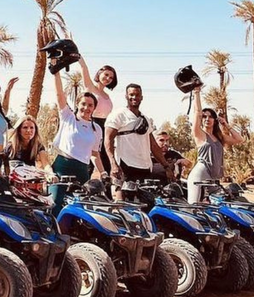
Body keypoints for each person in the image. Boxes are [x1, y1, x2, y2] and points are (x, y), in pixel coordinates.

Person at [48, 69, 105, 212]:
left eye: (90, 105)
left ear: (94, 108)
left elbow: (95, 154)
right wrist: (56, 72)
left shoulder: (97, 128)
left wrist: (103, 173)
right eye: (83, 104)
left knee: (82, 207)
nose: (86, 108)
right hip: (62, 167)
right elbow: (59, 95)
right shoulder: (68, 117)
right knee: (55, 203)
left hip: (82, 170)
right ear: (77, 104)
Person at [105, 83, 173, 199]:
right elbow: (108, 140)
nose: (134, 97)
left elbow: (153, 145)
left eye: (137, 95)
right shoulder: (118, 115)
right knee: (123, 205)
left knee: (144, 204)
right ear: (126, 96)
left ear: (142, 97)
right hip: (125, 166)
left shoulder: (145, 119)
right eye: (131, 95)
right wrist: (113, 163)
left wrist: (166, 166)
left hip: (145, 167)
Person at [187, 86, 243, 202]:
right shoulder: (200, 134)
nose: (207, 119)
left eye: (211, 117)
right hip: (200, 174)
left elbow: (239, 139)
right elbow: (197, 112)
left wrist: (226, 124)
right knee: (193, 206)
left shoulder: (219, 137)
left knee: (215, 206)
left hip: (213, 178)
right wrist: (197, 92)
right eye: (205, 117)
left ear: (215, 120)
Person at [77, 56, 117, 175]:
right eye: (106, 75)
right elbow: (84, 67)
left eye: (111, 77)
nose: (108, 78)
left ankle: (107, 189)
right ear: (99, 74)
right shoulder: (90, 87)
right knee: (89, 158)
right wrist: (76, 52)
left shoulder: (107, 96)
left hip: (105, 128)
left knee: (105, 160)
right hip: (92, 124)